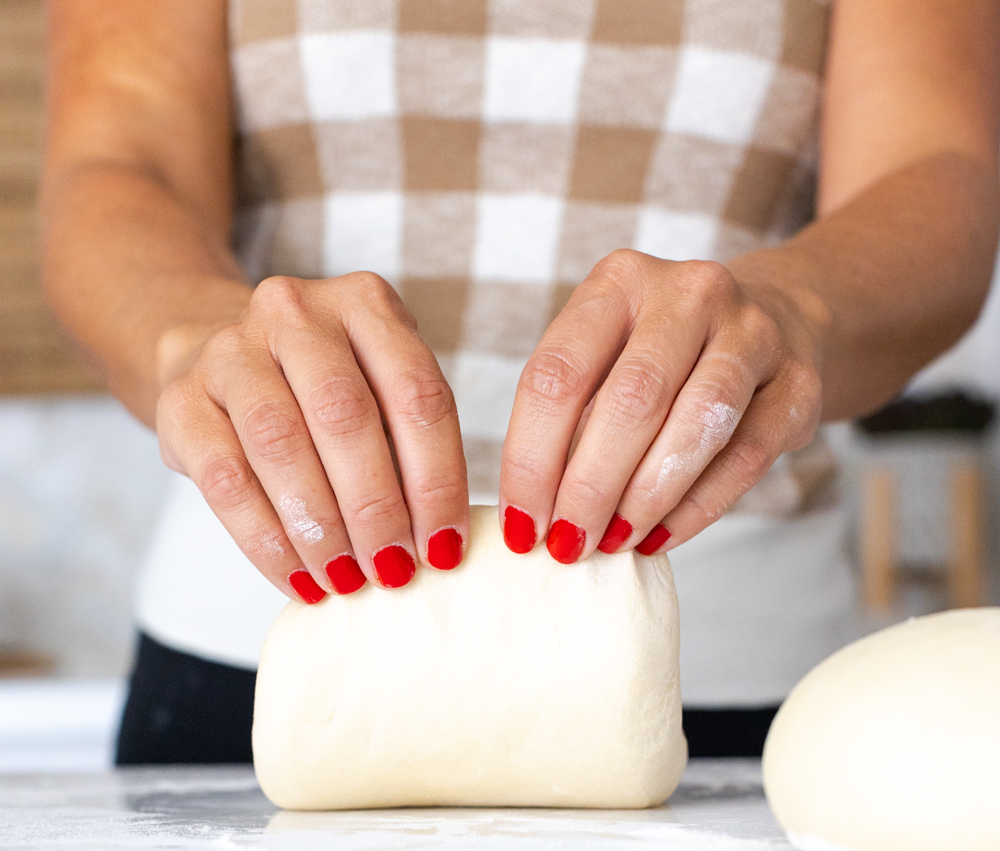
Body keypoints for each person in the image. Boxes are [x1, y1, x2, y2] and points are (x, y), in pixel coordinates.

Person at [42, 0, 999, 763]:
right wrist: (205, 344)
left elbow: (935, 168)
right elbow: (119, 157)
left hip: (731, 664)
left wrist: (792, 313)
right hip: (278, 646)